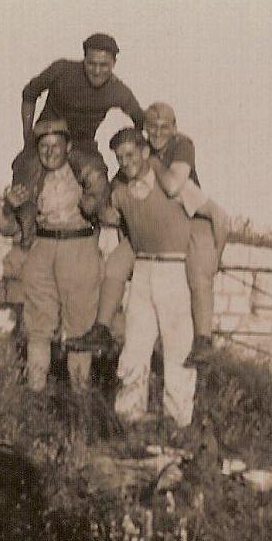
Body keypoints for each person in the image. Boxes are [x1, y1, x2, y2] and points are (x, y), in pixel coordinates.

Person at [67, 102, 228, 367]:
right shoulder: (132, 163)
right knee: (115, 265)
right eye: (151, 127)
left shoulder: (180, 146)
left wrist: (217, 257)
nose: (157, 132)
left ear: (174, 128)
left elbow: (176, 187)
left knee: (200, 277)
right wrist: (100, 210)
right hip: (151, 234)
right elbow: (110, 203)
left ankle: (203, 339)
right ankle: (102, 329)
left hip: (189, 222)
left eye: (164, 127)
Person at [0, 32, 143, 307]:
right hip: (49, 136)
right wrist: (29, 138)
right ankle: (25, 244)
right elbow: (29, 92)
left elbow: (139, 119)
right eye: (92, 63)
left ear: (113, 65)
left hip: (82, 145)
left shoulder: (118, 90)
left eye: (104, 65)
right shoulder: (62, 70)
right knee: (26, 173)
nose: (97, 70)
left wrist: (134, 158)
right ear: (83, 59)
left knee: (99, 178)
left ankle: (93, 250)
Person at [0, 118, 109, 393]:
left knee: (80, 326)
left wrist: (94, 203)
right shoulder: (31, 178)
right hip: (42, 249)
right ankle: (36, 393)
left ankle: (79, 396)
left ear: (68, 146)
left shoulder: (86, 173)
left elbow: (106, 209)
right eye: (43, 146)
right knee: (38, 324)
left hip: (79, 248)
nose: (49, 152)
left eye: (56, 145)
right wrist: (10, 207)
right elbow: (6, 228)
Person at [101, 127, 203, 427]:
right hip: (143, 270)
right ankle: (128, 416)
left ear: (146, 152)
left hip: (175, 269)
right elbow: (114, 217)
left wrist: (207, 260)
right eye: (120, 158)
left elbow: (210, 215)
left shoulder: (177, 183)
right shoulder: (122, 188)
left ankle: (178, 421)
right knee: (135, 344)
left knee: (177, 347)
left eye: (131, 154)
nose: (126, 162)